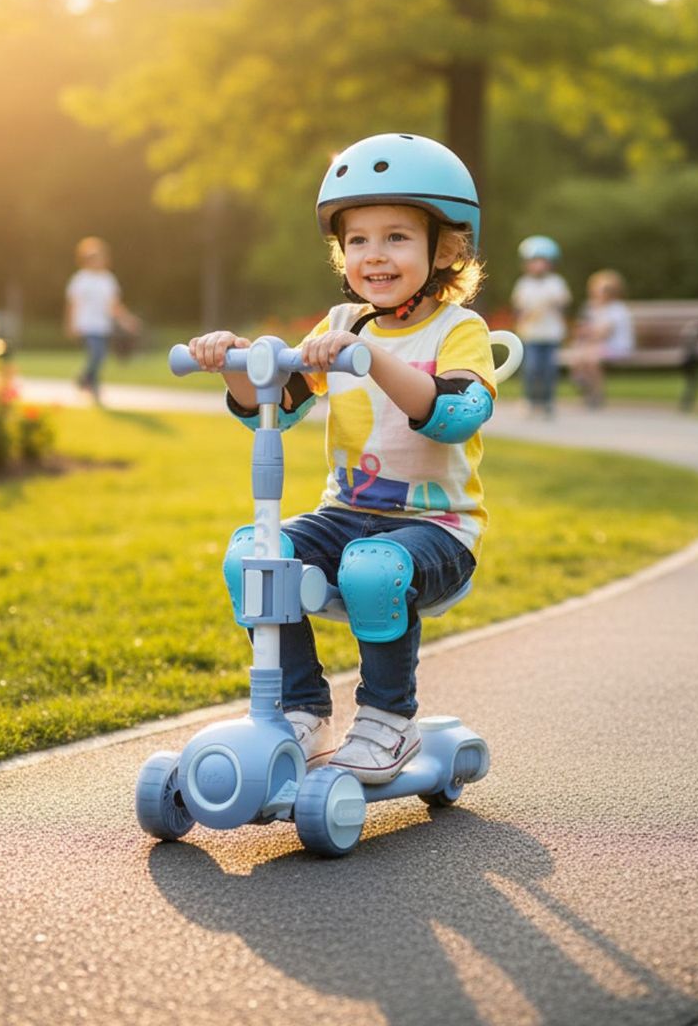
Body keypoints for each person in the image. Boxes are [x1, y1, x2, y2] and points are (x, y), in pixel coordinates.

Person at [189, 133, 496, 784]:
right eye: (357, 240)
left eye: (396, 237)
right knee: (253, 554)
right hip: (345, 513)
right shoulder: (344, 323)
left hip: (437, 531)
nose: (374, 255)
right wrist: (236, 362)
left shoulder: (458, 328)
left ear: (444, 248)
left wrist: (371, 357)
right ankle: (300, 709)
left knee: (373, 565)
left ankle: (390, 720)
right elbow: (279, 403)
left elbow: (455, 414)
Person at [64, 237, 141, 402]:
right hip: (86, 325)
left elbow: (114, 305)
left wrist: (127, 320)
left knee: (100, 356)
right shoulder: (80, 279)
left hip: (102, 325)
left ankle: (88, 381)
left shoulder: (108, 280)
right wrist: (70, 324)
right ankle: (88, 382)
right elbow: (73, 304)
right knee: (97, 353)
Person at [511, 235, 571, 417]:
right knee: (532, 368)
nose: (538, 266)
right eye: (534, 262)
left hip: (551, 334)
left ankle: (547, 401)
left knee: (549, 370)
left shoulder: (556, 283)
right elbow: (519, 308)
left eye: (542, 262)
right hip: (532, 334)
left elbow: (563, 303)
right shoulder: (524, 284)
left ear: (550, 263)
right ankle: (530, 400)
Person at [569, 268, 633, 409]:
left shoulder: (617, 309)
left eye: (605, 290)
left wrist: (588, 333)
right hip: (597, 346)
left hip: (617, 347)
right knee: (580, 355)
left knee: (592, 359)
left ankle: (597, 393)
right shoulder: (591, 307)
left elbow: (603, 333)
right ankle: (583, 383)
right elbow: (582, 330)